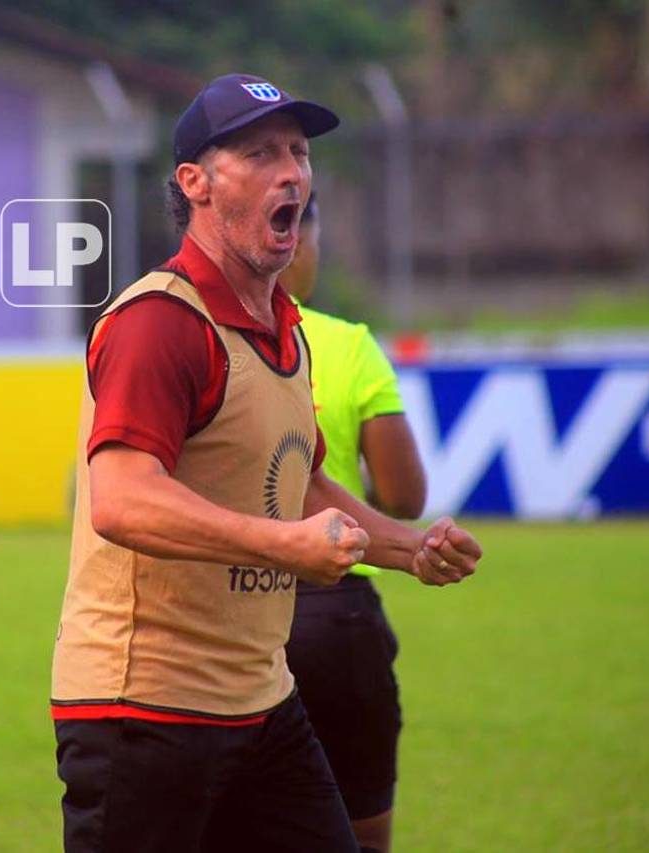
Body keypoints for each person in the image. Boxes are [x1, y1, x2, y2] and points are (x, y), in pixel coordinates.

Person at [50, 73, 482, 853]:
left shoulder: (287, 330)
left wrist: (406, 548)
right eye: (259, 153)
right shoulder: (159, 322)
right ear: (197, 183)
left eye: (298, 152)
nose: (292, 172)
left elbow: (302, 483)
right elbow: (121, 499)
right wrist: (288, 546)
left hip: (260, 701)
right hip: (142, 711)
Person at [281, 193, 425, 853]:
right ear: (300, 239)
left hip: (227, 610)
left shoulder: (200, 338)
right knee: (360, 835)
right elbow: (403, 494)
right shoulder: (347, 345)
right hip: (334, 615)